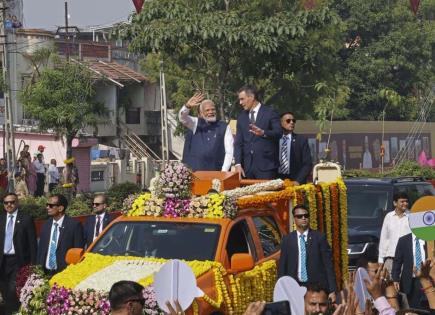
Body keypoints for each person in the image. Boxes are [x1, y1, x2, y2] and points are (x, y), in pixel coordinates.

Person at [278, 205, 337, 302]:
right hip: (294, 287)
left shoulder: (319, 238)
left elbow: (328, 265)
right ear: (294, 219)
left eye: (306, 215)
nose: (303, 218)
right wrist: (281, 290)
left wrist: (332, 290)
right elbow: (282, 267)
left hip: (316, 287)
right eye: (299, 216)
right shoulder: (287, 240)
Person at [0, 193, 37, 314]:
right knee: (5, 290)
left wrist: (33, 265)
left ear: (17, 203)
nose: (9, 205)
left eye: (12, 202)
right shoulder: (1, 219)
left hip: (18, 261)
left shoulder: (26, 219)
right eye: (6, 203)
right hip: (3, 261)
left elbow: (32, 243)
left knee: (12, 290)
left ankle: (16, 311)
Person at [234, 85, 282, 179]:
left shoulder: (270, 112)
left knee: (266, 194)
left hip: (266, 167)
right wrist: (238, 164)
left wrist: (263, 133)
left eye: (242, 99)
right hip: (246, 169)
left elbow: (278, 133)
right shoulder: (241, 117)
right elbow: (238, 143)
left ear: (251, 97)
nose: (240, 102)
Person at [179, 92, 234, 171]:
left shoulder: (224, 127)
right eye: (207, 110)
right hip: (197, 173)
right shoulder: (195, 123)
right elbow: (182, 118)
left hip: (217, 173)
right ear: (201, 113)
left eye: (213, 109)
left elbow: (229, 152)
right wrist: (187, 106)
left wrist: (223, 172)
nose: (211, 112)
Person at [37, 194, 84, 275]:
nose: (47, 207)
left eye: (51, 205)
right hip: (45, 272)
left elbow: (77, 252)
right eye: (47, 205)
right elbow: (41, 249)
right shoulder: (46, 225)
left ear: (60, 208)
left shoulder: (74, 226)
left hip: (65, 274)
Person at [392, 232, 427, 308]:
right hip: (411, 281)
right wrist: (395, 278)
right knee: (414, 307)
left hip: (427, 279)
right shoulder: (403, 240)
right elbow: (398, 260)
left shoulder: (430, 239)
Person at [378, 192, 411, 272]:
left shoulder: (412, 216)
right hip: (391, 259)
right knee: (389, 283)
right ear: (395, 203)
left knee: (404, 284)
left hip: (406, 260)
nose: (405, 204)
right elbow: (384, 238)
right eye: (402, 201)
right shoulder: (388, 217)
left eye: (406, 201)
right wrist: (381, 258)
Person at [278, 112, 312, 184]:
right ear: (281, 123)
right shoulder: (275, 140)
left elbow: (307, 163)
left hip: (295, 180)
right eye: (288, 121)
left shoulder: (301, 140)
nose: (292, 122)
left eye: (293, 121)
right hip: (277, 180)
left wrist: (298, 181)